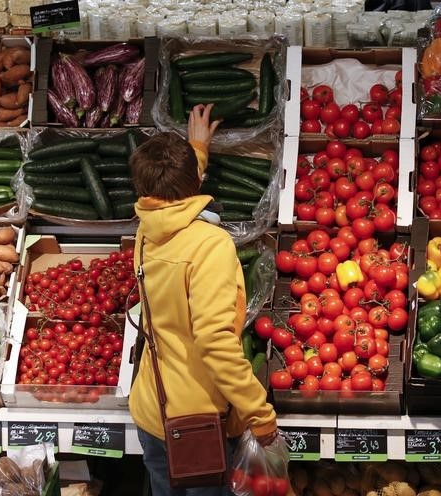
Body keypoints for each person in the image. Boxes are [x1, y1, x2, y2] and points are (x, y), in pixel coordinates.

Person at [128, 104, 278, 496]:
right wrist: (259, 415)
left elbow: (166, 195)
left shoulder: (146, 231)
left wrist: (197, 148)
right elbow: (215, 342)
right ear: (195, 183)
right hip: (198, 421)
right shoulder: (209, 245)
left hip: (152, 408)